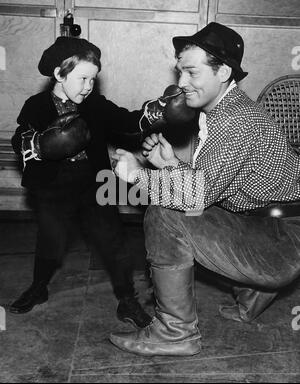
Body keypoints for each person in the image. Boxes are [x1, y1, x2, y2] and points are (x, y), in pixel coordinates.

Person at [109, 22, 300, 356]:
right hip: (270, 224)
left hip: (283, 238)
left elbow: (197, 194)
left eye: (192, 73)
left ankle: (175, 333)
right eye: (180, 72)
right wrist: (170, 165)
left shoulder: (237, 119)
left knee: (165, 214)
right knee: (188, 204)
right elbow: (216, 183)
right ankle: (252, 297)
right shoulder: (226, 110)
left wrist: (137, 174)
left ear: (223, 71)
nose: (181, 83)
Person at [9, 36, 152, 329]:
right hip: (54, 184)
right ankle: (39, 287)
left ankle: (127, 299)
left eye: (93, 79)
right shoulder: (36, 105)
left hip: (95, 181)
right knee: (50, 240)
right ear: (59, 74)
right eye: (82, 78)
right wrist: (39, 143)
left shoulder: (95, 104)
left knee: (114, 240)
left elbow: (127, 121)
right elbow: (19, 137)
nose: (88, 86)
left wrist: (157, 111)